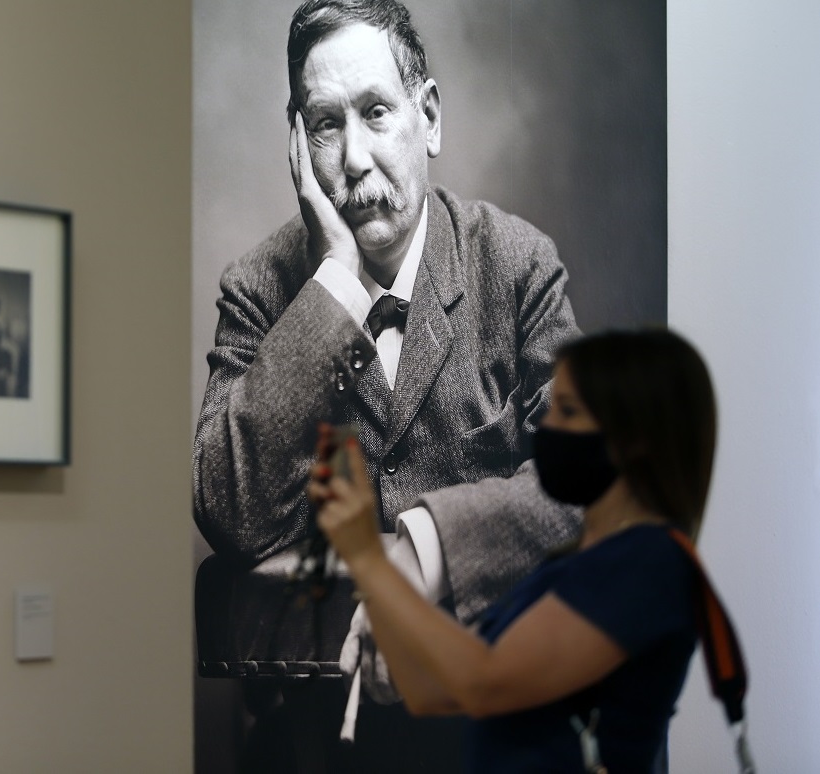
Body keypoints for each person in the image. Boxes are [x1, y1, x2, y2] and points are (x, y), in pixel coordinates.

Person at [192, 0, 581, 764]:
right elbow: (228, 512)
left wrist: (428, 548)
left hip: (498, 726)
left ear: (426, 117)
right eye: (325, 124)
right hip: (323, 737)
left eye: (375, 112)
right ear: (297, 143)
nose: (354, 158)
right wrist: (335, 286)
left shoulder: (517, 265)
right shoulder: (257, 288)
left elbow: (583, 482)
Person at [311, 328, 717, 771]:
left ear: (634, 442)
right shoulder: (589, 561)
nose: (547, 429)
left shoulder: (646, 564)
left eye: (567, 411)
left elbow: (488, 679)